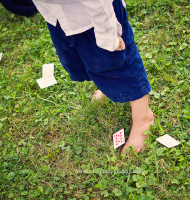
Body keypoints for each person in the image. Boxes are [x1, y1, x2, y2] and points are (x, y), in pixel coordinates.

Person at [32, 0, 154, 153]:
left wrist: (108, 37)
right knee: (88, 62)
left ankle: (143, 118)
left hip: (98, 19)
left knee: (118, 63)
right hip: (58, 17)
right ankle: (109, 86)